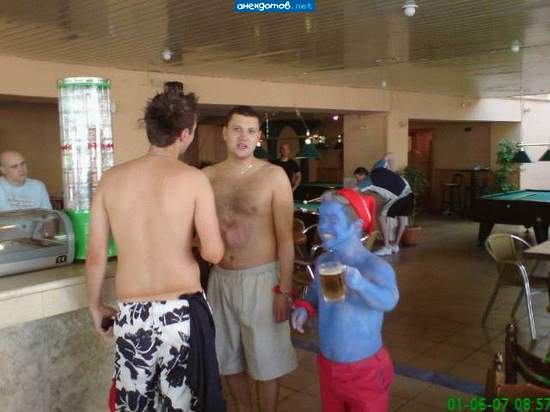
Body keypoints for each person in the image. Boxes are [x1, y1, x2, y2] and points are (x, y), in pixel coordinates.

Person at [86, 90, 226, 412]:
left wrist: (95, 306)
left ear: (150, 129)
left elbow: (96, 256)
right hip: (180, 315)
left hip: (132, 314)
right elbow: (214, 253)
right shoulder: (194, 180)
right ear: (185, 133)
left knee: (136, 405)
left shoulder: (110, 180)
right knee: (182, 405)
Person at [204, 106, 297, 412]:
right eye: (237, 129)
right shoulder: (207, 177)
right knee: (227, 358)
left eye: (251, 131)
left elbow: (285, 239)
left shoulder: (273, 176)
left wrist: (284, 290)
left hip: (262, 279)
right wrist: (219, 232)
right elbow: (193, 232)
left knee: (267, 361)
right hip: (220, 279)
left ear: (259, 137)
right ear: (224, 133)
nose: (243, 137)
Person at [291, 188, 399, 412]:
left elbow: (389, 301)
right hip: (327, 365)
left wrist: (360, 283)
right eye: (321, 219)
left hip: (366, 370)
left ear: (356, 225)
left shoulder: (374, 267)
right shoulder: (324, 261)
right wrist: (305, 307)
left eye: (332, 220)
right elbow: (315, 291)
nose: (323, 227)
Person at [357, 167, 413, 256]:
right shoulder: (377, 168)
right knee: (402, 220)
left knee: (381, 217)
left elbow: (354, 190)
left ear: (362, 175)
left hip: (399, 196)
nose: (358, 180)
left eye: (358, 177)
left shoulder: (367, 181)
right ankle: (395, 245)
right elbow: (387, 158)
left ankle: (387, 247)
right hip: (408, 191)